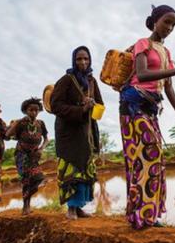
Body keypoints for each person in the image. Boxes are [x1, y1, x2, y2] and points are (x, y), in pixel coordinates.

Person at [119, 4, 175, 229]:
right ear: (155, 21)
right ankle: (138, 216)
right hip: (133, 104)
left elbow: (168, 88)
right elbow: (143, 73)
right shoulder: (142, 44)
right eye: (167, 21)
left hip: (152, 107)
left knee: (156, 160)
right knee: (146, 155)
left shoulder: (166, 52)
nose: (170, 27)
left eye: (174, 24)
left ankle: (149, 215)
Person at [51, 46, 103, 220]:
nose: (83, 62)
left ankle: (79, 207)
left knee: (85, 171)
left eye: (86, 59)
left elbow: (100, 106)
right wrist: (80, 109)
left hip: (86, 132)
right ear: (74, 60)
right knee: (71, 171)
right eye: (79, 59)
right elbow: (55, 105)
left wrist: (93, 106)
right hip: (69, 133)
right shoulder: (66, 80)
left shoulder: (92, 81)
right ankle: (71, 209)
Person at [6, 97, 48, 215]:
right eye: (31, 110)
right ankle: (26, 207)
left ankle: (27, 204)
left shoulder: (40, 124)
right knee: (26, 180)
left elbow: (46, 139)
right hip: (22, 155)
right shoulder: (21, 123)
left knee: (38, 178)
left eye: (36, 110)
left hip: (34, 156)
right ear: (25, 111)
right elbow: (7, 136)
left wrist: (41, 149)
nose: (34, 112)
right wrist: (16, 123)